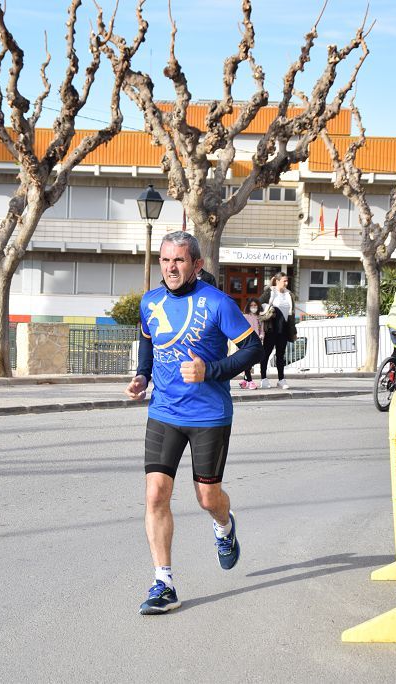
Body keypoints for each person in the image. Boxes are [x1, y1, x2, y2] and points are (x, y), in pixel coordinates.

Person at [125, 231, 262, 615]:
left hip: (209, 415)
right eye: (166, 260)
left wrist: (211, 370)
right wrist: (142, 375)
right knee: (155, 494)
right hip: (164, 412)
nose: (170, 267)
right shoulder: (150, 302)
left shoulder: (218, 304)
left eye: (179, 260)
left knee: (208, 499)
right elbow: (148, 338)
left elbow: (254, 348)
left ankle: (224, 527)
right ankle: (163, 582)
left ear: (197, 265)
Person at [258, 272, 296, 389]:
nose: (286, 283)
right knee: (266, 353)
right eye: (284, 281)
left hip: (284, 328)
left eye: (287, 281)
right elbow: (258, 305)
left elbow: (292, 314)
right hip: (271, 328)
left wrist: (293, 330)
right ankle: (263, 379)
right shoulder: (270, 292)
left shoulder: (289, 294)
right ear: (277, 281)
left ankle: (281, 379)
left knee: (281, 355)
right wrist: (269, 311)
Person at [239, 300, 265, 389]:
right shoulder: (245, 316)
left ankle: (245, 380)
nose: (254, 307)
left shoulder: (259, 317)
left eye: (255, 305)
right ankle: (250, 381)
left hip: (256, 341)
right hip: (247, 341)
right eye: (252, 305)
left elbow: (262, 329)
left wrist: (262, 335)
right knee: (247, 361)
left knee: (250, 362)